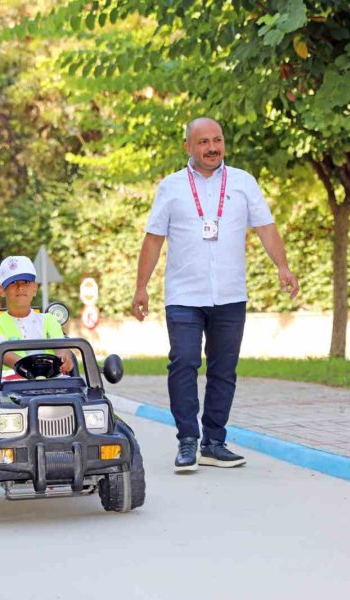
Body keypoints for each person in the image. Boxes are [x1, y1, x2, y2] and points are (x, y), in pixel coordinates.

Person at [131, 117, 299, 473]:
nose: (212, 148)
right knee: (184, 362)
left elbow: (266, 227)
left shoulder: (243, 183)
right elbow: (154, 238)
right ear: (189, 147)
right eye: (203, 142)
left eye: (217, 140)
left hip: (229, 293)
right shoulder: (172, 187)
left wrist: (282, 266)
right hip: (184, 295)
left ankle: (214, 442)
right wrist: (141, 286)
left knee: (224, 370)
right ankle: (188, 440)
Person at [0, 255, 74, 376]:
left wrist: (64, 358)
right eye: (13, 283)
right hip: (6, 386)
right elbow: (4, 355)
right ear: (2, 290)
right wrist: (32, 370)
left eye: (26, 282)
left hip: (49, 382)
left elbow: (60, 346)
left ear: (34, 288)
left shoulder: (49, 320)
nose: (20, 287)